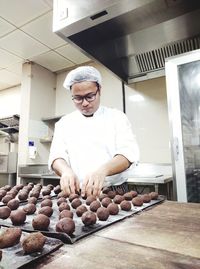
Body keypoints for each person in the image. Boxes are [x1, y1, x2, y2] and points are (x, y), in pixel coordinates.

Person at [48, 66, 139, 197]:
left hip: (113, 191)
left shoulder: (117, 117)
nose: (84, 103)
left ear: (99, 90)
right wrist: (65, 171)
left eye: (90, 96)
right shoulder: (64, 123)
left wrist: (102, 171)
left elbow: (127, 154)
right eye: (78, 98)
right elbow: (57, 156)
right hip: (77, 192)